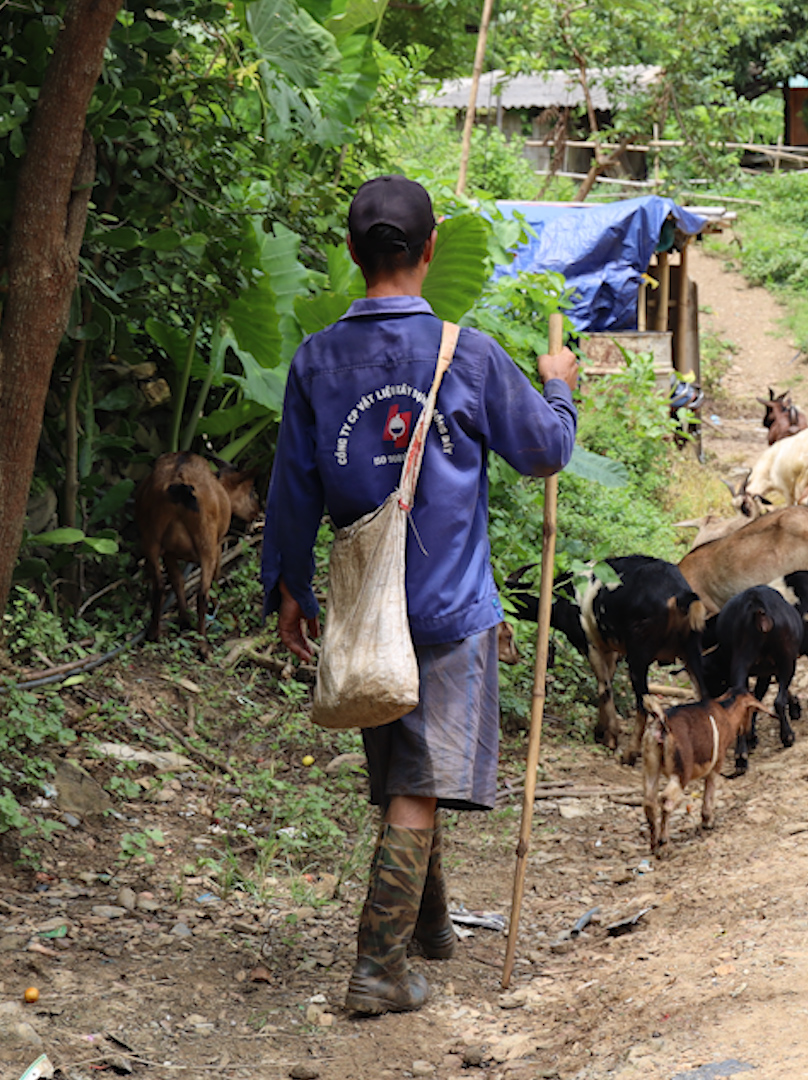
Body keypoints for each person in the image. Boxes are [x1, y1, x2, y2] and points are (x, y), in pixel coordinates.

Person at [259, 175, 580, 1016]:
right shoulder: (467, 353)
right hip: (447, 607)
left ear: (354, 252)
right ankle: (377, 970)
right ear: (431, 250)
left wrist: (288, 587)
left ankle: (427, 933)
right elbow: (544, 451)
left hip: (363, 608)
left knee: (407, 775)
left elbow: (291, 488)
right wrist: (559, 384)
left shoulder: (316, 360)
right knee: (417, 785)